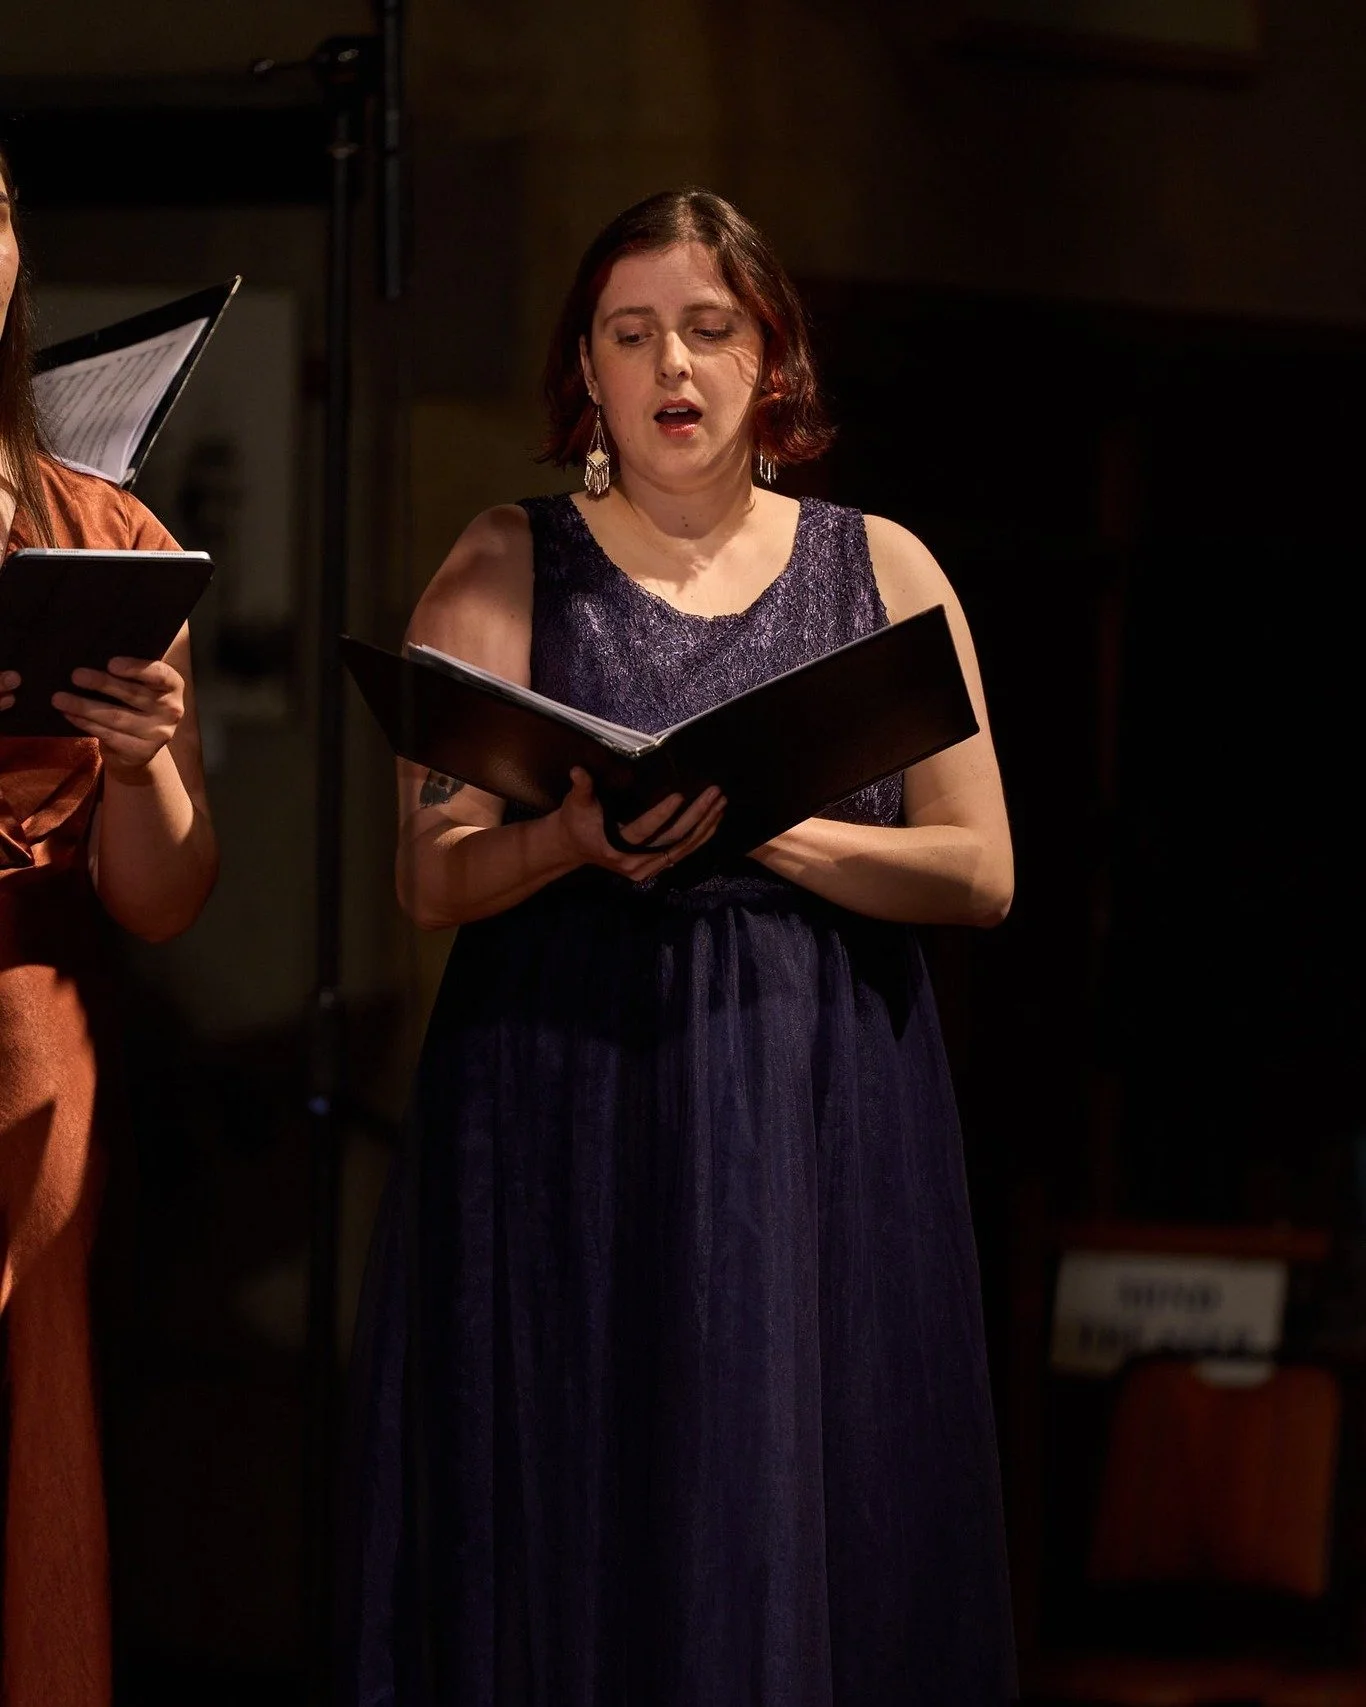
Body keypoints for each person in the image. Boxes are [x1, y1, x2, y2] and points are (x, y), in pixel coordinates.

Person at [342, 187, 1016, 1706]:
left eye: (709, 330)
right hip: (564, 1091)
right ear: (585, 366)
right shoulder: (508, 558)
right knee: (582, 1483)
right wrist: (573, 840)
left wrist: (760, 824)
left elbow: (979, 871)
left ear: (769, 359)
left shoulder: (882, 566)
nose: (673, 366)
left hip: (814, 1101)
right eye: (632, 332)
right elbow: (428, 875)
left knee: (790, 1485)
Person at [0, 150, 218, 1707]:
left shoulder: (99, 527)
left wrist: (142, 757)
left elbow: (161, 893)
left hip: (27, 1048)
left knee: (25, 1464)